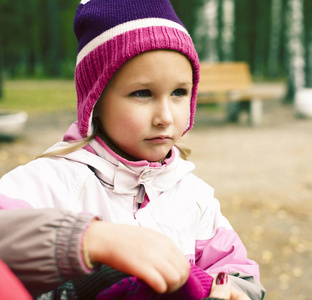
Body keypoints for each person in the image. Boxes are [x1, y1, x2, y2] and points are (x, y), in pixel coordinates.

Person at [0, 0, 265, 299]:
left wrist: (235, 292)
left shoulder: (195, 198)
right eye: (143, 93)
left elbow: (237, 272)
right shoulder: (49, 183)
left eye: (179, 92)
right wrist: (86, 239)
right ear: (95, 101)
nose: (165, 116)